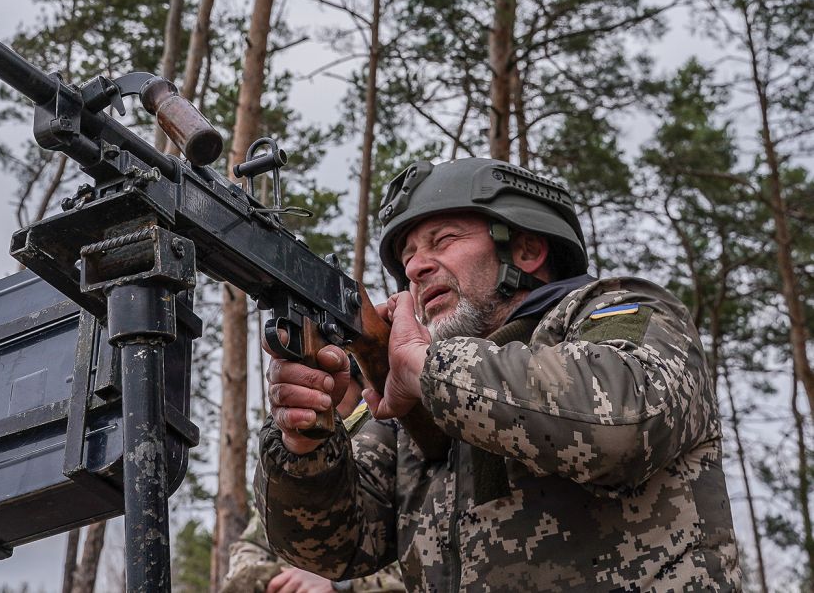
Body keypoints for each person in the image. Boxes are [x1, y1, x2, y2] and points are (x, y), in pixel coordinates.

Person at [255, 157, 742, 591]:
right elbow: (330, 546)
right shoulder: (416, 399)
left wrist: (429, 368)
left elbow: (626, 419)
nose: (416, 268)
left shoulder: (617, 309)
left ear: (526, 250)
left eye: (443, 241)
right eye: (407, 258)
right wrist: (305, 443)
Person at [223, 359, 404, 593]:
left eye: (336, 382)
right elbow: (247, 551)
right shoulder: (291, 472)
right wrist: (283, 579)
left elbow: (418, 557)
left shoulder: (393, 446)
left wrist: (341, 583)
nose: (322, 391)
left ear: (363, 385)